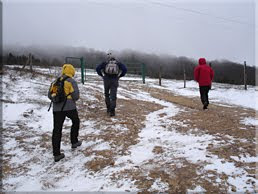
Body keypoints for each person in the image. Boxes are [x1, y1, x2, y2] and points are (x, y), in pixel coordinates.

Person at [48, 64, 81, 162]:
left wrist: (58, 100)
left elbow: (50, 95)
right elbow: (76, 96)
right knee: (76, 121)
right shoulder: (71, 81)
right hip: (70, 107)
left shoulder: (56, 81)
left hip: (57, 109)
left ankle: (56, 154)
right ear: (72, 71)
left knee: (57, 130)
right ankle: (74, 142)